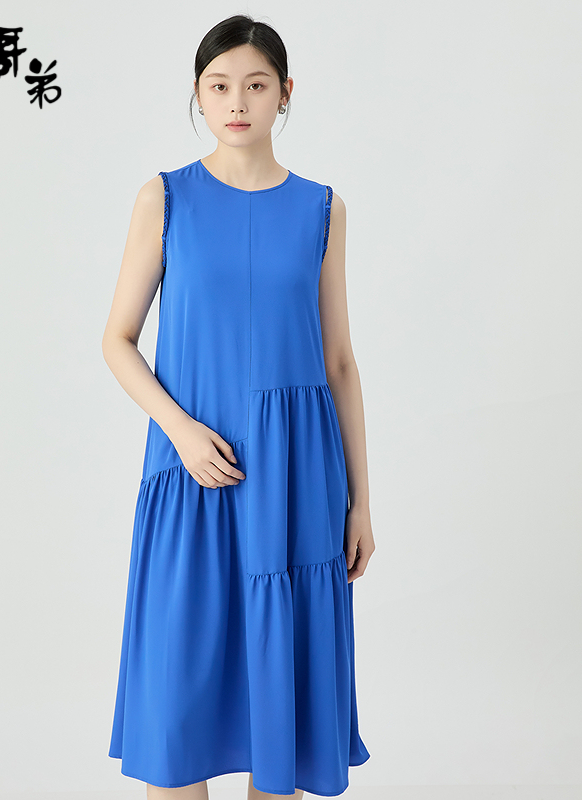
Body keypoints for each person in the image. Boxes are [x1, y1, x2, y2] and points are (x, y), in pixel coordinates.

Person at [102, 14, 376, 800]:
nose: (237, 102)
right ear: (197, 94)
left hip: (297, 482)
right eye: (219, 86)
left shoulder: (323, 209)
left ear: (284, 93)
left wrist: (361, 501)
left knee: (280, 720)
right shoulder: (164, 199)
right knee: (177, 712)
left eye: (256, 85)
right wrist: (181, 430)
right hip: (193, 472)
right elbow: (117, 340)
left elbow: (339, 362)